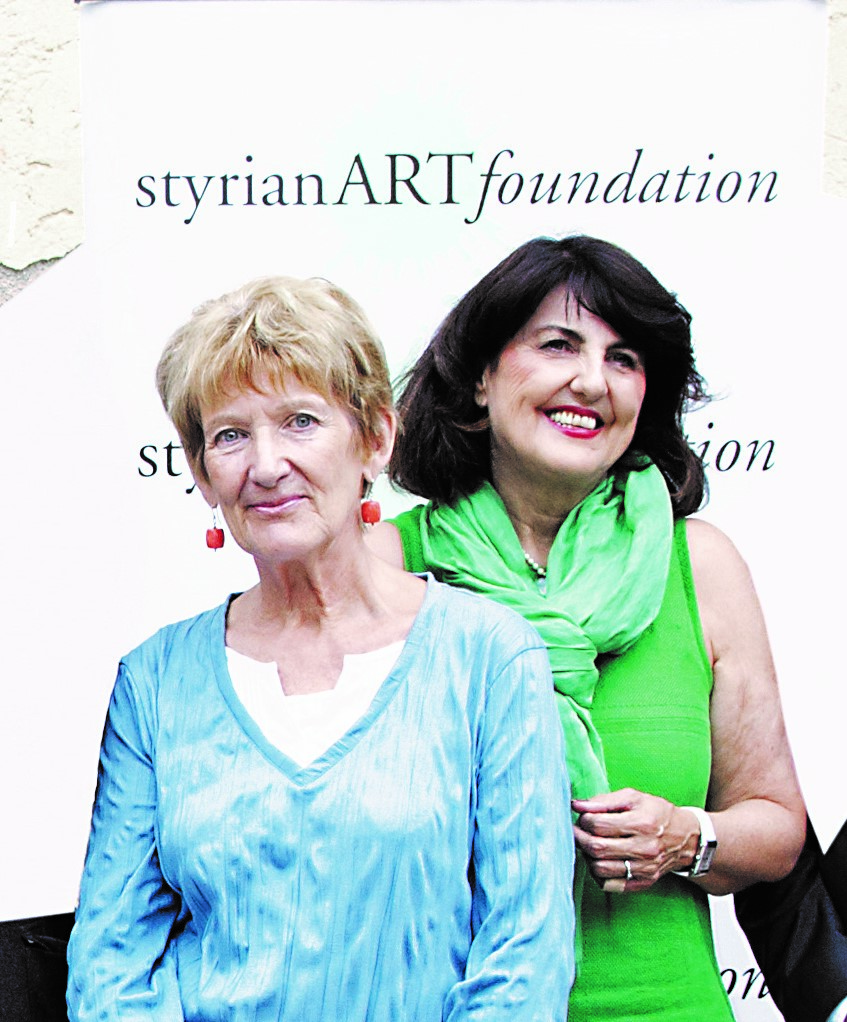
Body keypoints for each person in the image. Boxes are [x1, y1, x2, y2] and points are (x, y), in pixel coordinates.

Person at [66, 275, 575, 1021]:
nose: (266, 465)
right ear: (202, 473)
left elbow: (524, 962)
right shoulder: (155, 681)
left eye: (300, 421)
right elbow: (108, 965)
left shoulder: (490, 659)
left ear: (375, 439)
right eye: (230, 436)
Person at [373, 236, 806, 1021]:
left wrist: (685, 836)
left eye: (623, 358)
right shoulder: (386, 567)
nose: (590, 380)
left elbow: (774, 827)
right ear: (479, 377)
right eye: (556, 345)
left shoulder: (698, 565)